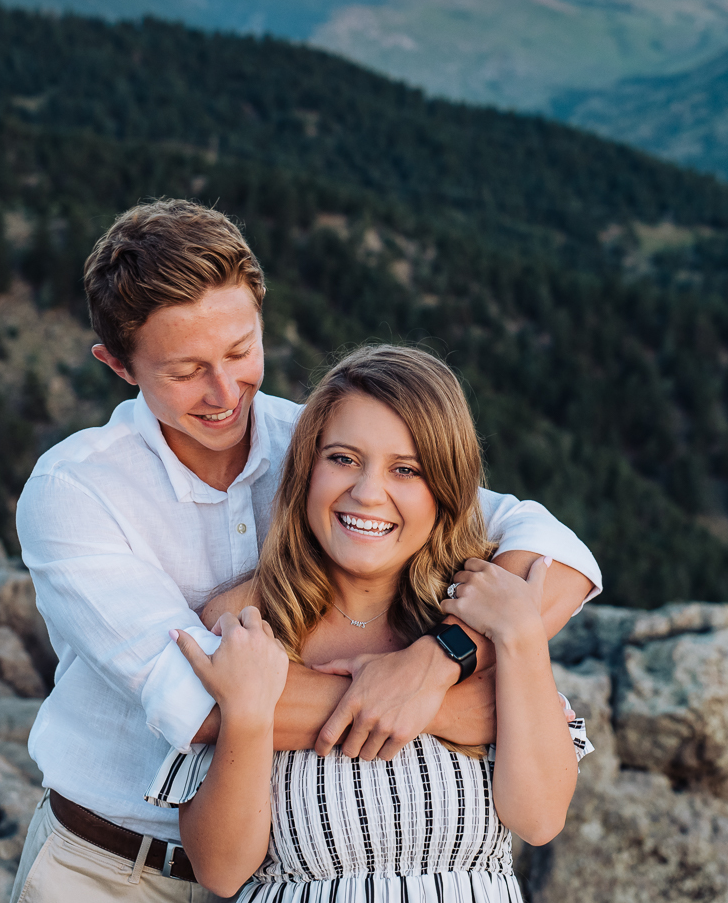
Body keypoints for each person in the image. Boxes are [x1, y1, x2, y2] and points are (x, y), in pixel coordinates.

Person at [10, 201, 601, 903]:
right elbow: (197, 703)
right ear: (119, 365)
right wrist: (449, 712)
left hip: (272, 875)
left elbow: (555, 551)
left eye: (239, 351)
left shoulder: (330, 446)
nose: (225, 393)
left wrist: (441, 659)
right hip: (111, 868)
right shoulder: (76, 491)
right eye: (187, 370)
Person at [149, 344, 589, 901]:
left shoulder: (482, 623)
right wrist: (249, 714)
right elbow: (221, 870)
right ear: (306, 469)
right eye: (343, 459)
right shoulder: (246, 625)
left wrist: (519, 639)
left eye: (406, 470)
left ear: (447, 490)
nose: (367, 493)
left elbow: (540, 818)